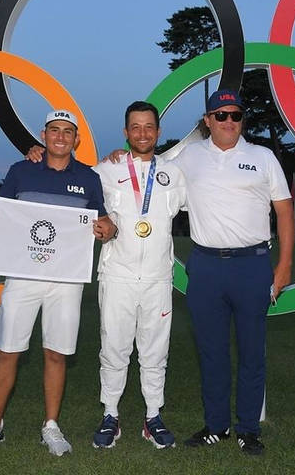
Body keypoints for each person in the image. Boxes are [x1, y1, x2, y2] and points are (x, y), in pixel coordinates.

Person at [0, 109, 116, 457]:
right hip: (21, 275)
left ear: (76, 139)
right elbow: (0, 211)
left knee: (56, 353)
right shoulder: (21, 170)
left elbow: (104, 222)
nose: (60, 136)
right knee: (7, 350)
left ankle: (51, 425)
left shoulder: (89, 178)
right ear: (43, 136)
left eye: (67, 131)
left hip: (66, 279)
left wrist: (108, 230)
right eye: (54, 130)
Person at [174, 89, 294, 456]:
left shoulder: (263, 157)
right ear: (207, 121)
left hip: (252, 265)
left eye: (235, 115)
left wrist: (285, 265)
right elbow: (146, 171)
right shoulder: (187, 157)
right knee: (211, 352)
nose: (229, 122)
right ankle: (216, 427)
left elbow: (285, 212)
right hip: (206, 265)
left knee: (252, 353)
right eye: (221, 115)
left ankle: (247, 428)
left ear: (243, 120)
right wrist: (119, 156)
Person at [90, 101, 186, 449]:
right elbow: (68, 181)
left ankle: (153, 416)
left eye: (149, 127)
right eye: (135, 127)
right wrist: (38, 154)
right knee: (113, 347)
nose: (142, 133)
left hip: (159, 278)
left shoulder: (175, 174)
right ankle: (111, 415)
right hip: (117, 275)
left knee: (155, 351)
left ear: (158, 132)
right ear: (125, 132)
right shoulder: (106, 169)